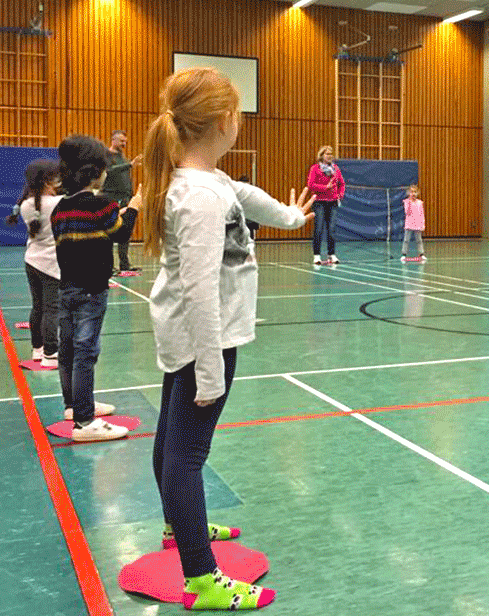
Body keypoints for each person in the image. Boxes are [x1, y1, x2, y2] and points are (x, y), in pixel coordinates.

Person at [140, 67, 315, 611]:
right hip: (202, 341)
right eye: (238, 113)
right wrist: (210, 369)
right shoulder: (199, 198)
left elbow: (247, 195)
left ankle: (179, 528)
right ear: (223, 121)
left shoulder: (206, 182)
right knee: (186, 456)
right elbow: (199, 289)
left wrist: (290, 215)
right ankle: (201, 577)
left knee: (172, 440)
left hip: (191, 340)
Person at [51, 135, 141, 442]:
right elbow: (121, 233)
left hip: (67, 289)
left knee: (69, 348)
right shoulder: (102, 205)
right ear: (96, 173)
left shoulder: (60, 209)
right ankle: (85, 422)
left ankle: (74, 405)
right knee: (86, 352)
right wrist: (133, 208)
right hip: (91, 290)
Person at [7, 159, 63, 369]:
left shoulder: (25, 204)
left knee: (37, 306)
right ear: (46, 180)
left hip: (32, 260)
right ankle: (51, 353)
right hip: (50, 264)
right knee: (52, 309)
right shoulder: (56, 203)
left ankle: (37, 349)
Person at [102, 129, 142, 275]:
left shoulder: (122, 157)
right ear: (113, 140)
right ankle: (108, 265)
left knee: (125, 231)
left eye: (125, 141)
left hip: (125, 198)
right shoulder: (106, 155)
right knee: (109, 232)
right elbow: (109, 171)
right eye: (121, 141)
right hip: (111, 198)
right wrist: (130, 165)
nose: (124, 143)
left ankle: (125, 265)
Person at [306, 145, 345, 265]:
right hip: (319, 202)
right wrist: (325, 188)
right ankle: (316, 256)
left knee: (332, 229)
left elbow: (341, 184)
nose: (330, 156)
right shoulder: (315, 168)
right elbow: (310, 185)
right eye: (327, 154)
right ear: (322, 155)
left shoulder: (336, 169)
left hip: (332, 202)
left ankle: (331, 254)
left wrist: (340, 195)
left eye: (331, 154)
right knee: (318, 229)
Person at [401, 184, 426, 262]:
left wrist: (423, 224)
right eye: (411, 192)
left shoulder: (420, 203)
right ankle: (404, 254)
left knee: (419, 240)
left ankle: (421, 254)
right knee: (406, 240)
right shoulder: (406, 202)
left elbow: (422, 214)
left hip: (417, 224)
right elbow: (407, 212)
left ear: (417, 193)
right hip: (409, 224)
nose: (413, 194)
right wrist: (409, 202)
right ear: (409, 193)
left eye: (415, 192)